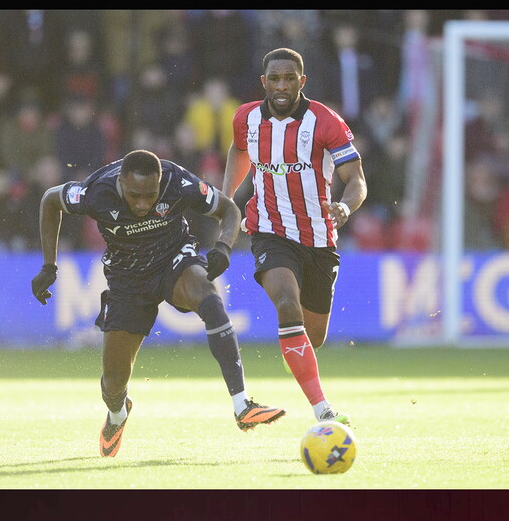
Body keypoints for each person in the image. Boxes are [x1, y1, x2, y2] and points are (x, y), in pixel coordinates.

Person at [31, 149, 285, 458]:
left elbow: (229, 210)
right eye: (135, 195)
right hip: (126, 280)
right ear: (122, 182)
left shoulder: (178, 181)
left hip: (173, 260)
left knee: (209, 298)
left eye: (150, 196)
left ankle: (242, 404)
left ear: (160, 182)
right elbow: (50, 200)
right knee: (113, 383)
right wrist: (49, 266)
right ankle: (117, 413)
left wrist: (223, 247)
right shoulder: (96, 191)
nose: (142, 204)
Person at [222, 48, 367, 425]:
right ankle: (323, 409)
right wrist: (227, 202)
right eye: (275, 79)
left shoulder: (325, 122)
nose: (282, 86)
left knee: (312, 336)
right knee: (286, 302)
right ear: (264, 82)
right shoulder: (246, 118)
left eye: (290, 78)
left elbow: (357, 181)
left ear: (302, 82)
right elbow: (239, 152)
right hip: (269, 230)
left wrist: (346, 208)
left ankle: (298, 355)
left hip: (318, 237)